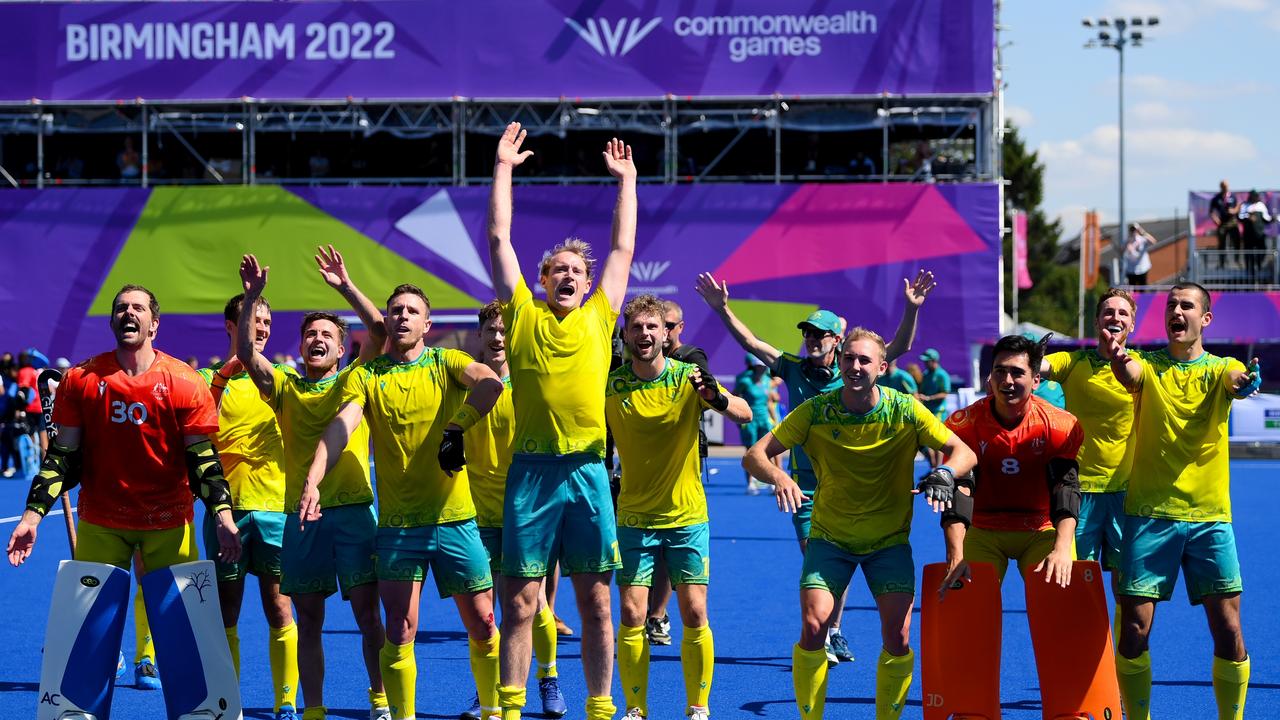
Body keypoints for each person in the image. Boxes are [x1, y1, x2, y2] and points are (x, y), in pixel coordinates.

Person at [6, 284, 242, 713]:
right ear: (112, 320)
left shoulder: (185, 382)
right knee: (88, 637)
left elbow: (203, 461)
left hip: (170, 523)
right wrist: (32, 516)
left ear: (154, 323)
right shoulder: (81, 380)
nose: (128, 313)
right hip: (102, 521)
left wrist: (223, 515)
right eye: (120, 308)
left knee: (184, 637)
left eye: (138, 308)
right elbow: (62, 457)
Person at [697, 270, 936, 664]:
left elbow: (900, 346)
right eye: (807, 333)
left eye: (819, 334)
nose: (811, 339)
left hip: (860, 488)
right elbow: (752, 342)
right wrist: (723, 310)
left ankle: (833, 630)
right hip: (807, 486)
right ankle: (827, 631)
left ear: (837, 341)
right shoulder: (792, 369)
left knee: (847, 570)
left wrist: (911, 308)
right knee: (819, 556)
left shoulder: (857, 366)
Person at [742, 328, 977, 720]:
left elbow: (964, 451)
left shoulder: (904, 408)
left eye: (864, 360)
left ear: (881, 368)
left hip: (888, 542)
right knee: (815, 626)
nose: (854, 366)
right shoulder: (817, 409)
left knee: (898, 639)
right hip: (830, 539)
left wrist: (945, 473)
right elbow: (754, 456)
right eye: (849, 358)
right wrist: (780, 477)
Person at [486, 121, 637, 720]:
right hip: (531, 477)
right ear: (543, 280)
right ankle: (512, 707)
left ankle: (600, 709)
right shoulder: (520, 313)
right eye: (559, 271)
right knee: (520, 603)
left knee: (597, 602)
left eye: (578, 270)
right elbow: (500, 236)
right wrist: (503, 166)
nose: (569, 277)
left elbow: (622, 249)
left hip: (588, 474)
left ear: (588, 281)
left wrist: (626, 181)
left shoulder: (603, 315)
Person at [305, 283, 504, 720]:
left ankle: (492, 710)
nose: (403, 316)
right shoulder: (366, 374)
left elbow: (490, 383)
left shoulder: (448, 362)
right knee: (399, 629)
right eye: (396, 310)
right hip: (398, 527)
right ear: (387, 320)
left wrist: (457, 428)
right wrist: (314, 479)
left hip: (455, 520)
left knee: (486, 625)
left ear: (427, 324)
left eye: (412, 311)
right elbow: (342, 425)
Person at [236, 249, 391, 720]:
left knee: (368, 617)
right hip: (301, 518)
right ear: (301, 347)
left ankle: (380, 701)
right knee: (308, 620)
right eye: (310, 335)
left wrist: (345, 285)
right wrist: (252, 299)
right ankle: (315, 710)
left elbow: (380, 331)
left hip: (353, 513)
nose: (317, 340)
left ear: (342, 349)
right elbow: (246, 353)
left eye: (326, 335)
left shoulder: (356, 379)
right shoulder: (283, 385)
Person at [1105, 282, 1257, 720]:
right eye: (1171, 304)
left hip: (1211, 520)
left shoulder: (1221, 367)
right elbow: (1129, 374)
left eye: (1186, 305)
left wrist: (1244, 383)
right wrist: (1118, 360)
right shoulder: (1148, 365)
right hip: (1149, 516)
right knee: (1134, 629)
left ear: (1204, 319)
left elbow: (1235, 380)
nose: (1176, 310)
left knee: (1228, 630)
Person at [606, 295, 753, 720]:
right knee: (633, 613)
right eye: (637, 328)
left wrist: (717, 398)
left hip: (687, 516)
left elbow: (742, 413)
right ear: (627, 335)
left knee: (694, 610)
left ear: (666, 333)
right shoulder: (612, 387)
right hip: (633, 515)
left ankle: (698, 706)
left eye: (653, 327)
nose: (646, 334)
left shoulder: (689, 377)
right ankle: (635, 708)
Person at [461, 301, 567, 720]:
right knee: (484, 613)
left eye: (505, 330)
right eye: (491, 330)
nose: (499, 338)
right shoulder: (462, 380)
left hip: (525, 510)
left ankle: (547, 677)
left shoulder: (528, 382)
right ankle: (488, 692)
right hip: (473, 513)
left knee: (533, 603)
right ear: (481, 335)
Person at [198, 292, 299, 719]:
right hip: (226, 512)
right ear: (230, 327)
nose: (260, 328)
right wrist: (229, 371)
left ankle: (287, 703)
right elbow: (200, 427)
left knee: (279, 606)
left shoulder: (284, 379)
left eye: (266, 322)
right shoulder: (205, 380)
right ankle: (227, 700)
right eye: (251, 320)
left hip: (275, 510)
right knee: (226, 609)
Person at [941, 334, 1083, 591]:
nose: (1007, 380)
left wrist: (1062, 549)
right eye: (1000, 371)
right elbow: (960, 487)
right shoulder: (964, 424)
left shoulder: (1061, 425)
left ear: (1035, 380)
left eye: (1017, 373)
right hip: (982, 527)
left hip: (1042, 527)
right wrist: (955, 554)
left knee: (1061, 595)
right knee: (965, 599)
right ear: (990, 376)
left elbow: (1066, 488)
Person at [1041, 289, 1143, 609]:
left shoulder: (1142, 367)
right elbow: (1032, 368)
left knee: (1128, 593)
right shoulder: (1073, 362)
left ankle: (1123, 658)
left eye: (1123, 313)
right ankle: (1080, 657)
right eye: (1108, 312)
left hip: (1125, 492)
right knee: (1073, 586)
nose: (1115, 318)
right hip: (1078, 492)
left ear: (1132, 325)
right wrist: (1025, 357)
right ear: (1096, 320)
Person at [644, 299, 712, 647]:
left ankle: (656, 615)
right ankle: (644, 611)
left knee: (669, 548)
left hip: (680, 465)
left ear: (679, 327)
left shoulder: (690, 359)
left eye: (669, 326)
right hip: (634, 466)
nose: (663, 333)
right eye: (659, 326)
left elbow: (710, 386)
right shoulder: (634, 361)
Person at [733, 353, 774, 496]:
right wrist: (738, 416)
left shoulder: (767, 380)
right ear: (754, 366)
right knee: (750, 450)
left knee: (767, 451)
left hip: (764, 418)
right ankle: (750, 483)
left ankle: (769, 482)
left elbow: (769, 400)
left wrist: (773, 418)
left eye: (763, 366)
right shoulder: (744, 380)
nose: (762, 369)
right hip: (749, 419)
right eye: (759, 366)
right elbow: (735, 396)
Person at [916, 348, 951, 474]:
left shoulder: (942, 375)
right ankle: (933, 467)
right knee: (928, 441)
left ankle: (939, 468)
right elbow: (922, 391)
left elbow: (945, 393)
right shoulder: (926, 374)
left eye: (927, 361)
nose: (925, 363)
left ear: (934, 361)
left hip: (939, 411)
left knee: (938, 439)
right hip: (928, 411)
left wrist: (929, 398)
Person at [1238, 190, 1273, 283]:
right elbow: (1240, 217)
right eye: (1254, 196)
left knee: (1262, 251)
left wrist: (1273, 219)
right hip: (1248, 236)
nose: (1255, 197)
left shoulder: (1261, 205)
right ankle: (1249, 275)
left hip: (1259, 235)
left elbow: (1267, 219)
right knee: (1249, 255)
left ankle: (1258, 267)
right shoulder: (1245, 205)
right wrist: (1248, 217)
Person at [1209, 181, 1241, 269]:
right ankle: (1222, 262)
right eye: (1223, 186)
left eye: (1226, 186)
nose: (1225, 187)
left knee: (1236, 240)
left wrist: (1234, 210)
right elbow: (1211, 211)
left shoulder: (1232, 196)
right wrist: (1215, 219)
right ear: (1221, 187)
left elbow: (1238, 206)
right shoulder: (1217, 198)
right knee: (1221, 242)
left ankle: (1237, 260)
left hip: (1232, 221)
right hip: (1222, 222)